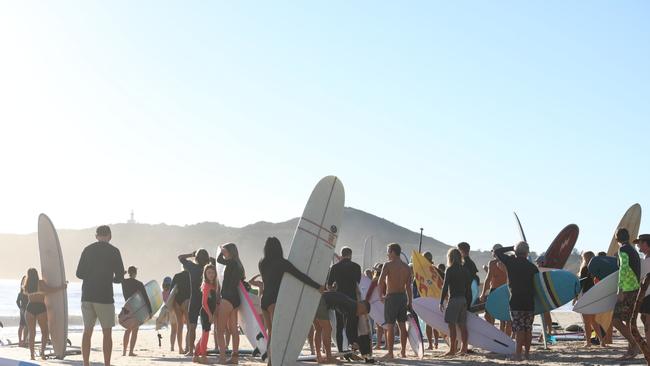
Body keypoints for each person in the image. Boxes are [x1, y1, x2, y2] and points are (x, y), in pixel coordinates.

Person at [258, 237, 323, 364]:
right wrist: (318, 286)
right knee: (275, 333)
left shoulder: (262, 263)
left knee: (270, 332)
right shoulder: (283, 263)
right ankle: (272, 361)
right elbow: (300, 276)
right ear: (279, 248)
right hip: (274, 300)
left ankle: (270, 361)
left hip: (264, 300)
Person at [76, 225, 125, 366]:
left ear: (96, 236)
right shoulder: (114, 251)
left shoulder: (87, 249)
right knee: (107, 333)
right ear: (110, 236)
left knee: (87, 331)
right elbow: (120, 277)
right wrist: (111, 278)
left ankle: (86, 363)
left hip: (87, 295)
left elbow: (79, 274)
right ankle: (107, 364)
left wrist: (92, 275)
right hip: (104, 297)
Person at [494, 242, 538, 361]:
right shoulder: (533, 267)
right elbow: (538, 286)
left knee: (519, 329)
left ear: (516, 251)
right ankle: (527, 354)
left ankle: (518, 354)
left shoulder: (510, 262)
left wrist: (511, 248)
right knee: (528, 328)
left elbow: (497, 252)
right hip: (529, 301)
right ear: (527, 252)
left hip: (516, 301)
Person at [377, 243, 412, 360]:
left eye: (388, 251)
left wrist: (380, 296)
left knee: (390, 326)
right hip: (403, 297)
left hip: (391, 297)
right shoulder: (407, 267)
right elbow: (408, 287)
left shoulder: (388, 265)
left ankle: (390, 352)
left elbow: (380, 281)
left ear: (392, 252)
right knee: (402, 325)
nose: (387, 254)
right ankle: (402, 352)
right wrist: (410, 302)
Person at [23, 268, 66, 360]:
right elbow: (51, 290)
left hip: (29, 308)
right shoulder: (41, 283)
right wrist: (62, 287)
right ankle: (42, 353)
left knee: (32, 333)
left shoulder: (27, 285)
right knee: (45, 332)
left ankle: (32, 355)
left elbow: (27, 294)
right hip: (40, 308)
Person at [612, 228, 641, 360]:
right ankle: (630, 351)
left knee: (616, 320)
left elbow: (623, 269)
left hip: (628, 289)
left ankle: (635, 346)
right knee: (628, 321)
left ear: (617, 238)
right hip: (635, 288)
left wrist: (620, 289)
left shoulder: (623, 250)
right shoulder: (632, 249)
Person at [327, 246, 362, 353]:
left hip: (339, 298)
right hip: (352, 299)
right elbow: (357, 284)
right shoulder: (356, 266)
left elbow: (329, 286)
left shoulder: (335, 267)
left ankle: (341, 350)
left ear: (341, 255)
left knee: (339, 326)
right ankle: (354, 348)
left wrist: (334, 289)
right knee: (352, 325)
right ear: (350, 255)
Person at [215, 243, 245, 364]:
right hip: (235, 300)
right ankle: (234, 358)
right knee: (233, 330)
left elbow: (218, 259)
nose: (224, 254)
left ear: (230, 252)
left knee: (219, 330)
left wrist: (220, 251)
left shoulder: (231, 262)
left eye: (225, 251)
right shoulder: (238, 265)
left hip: (227, 298)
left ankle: (222, 358)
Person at [178, 249, 212, 356]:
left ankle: (191, 351)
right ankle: (202, 349)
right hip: (206, 301)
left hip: (194, 301)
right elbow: (217, 262)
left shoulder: (192, 267)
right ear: (206, 259)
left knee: (192, 327)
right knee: (205, 327)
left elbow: (180, 257)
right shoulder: (209, 269)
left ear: (196, 258)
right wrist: (209, 258)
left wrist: (191, 254)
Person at [439, 248, 469, 356]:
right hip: (463, 300)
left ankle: (452, 350)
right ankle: (464, 349)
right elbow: (468, 288)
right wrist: (468, 303)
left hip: (454, 300)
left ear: (450, 257)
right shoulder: (464, 270)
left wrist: (441, 301)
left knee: (451, 326)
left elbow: (445, 286)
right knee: (463, 326)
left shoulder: (450, 269)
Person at [479, 244, 511, 336]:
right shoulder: (492, 263)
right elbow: (488, 279)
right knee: (488, 314)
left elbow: (488, 279)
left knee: (505, 318)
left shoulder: (507, 261)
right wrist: (483, 293)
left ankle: (504, 337)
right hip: (495, 290)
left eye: (492, 251)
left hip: (505, 290)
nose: (492, 253)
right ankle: (493, 333)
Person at [575, 251, 605, 347]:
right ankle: (602, 341)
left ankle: (588, 342)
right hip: (594, 295)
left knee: (586, 322)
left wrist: (575, 297)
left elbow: (581, 284)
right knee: (593, 321)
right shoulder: (597, 268)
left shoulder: (584, 268)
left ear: (585, 258)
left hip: (586, 296)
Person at [121, 266, 152, 356]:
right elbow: (146, 298)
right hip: (136, 309)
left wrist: (123, 274)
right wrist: (150, 311)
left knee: (128, 329)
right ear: (135, 273)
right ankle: (130, 351)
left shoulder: (124, 282)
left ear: (129, 272)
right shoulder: (139, 284)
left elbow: (120, 278)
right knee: (135, 330)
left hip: (126, 308)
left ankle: (124, 351)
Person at [193, 264, 219, 364]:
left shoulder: (214, 285)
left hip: (210, 313)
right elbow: (204, 303)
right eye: (209, 273)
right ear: (205, 274)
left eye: (212, 272)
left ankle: (196, 355)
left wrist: (215, 311)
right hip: (205, 313)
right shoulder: (206, 285)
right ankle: (203, 356)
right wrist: (210, 315)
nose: (211, 274)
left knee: (205, 334)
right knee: (206, 334)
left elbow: (214, 301)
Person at [170, 268, 191, 354]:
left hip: (177, 302)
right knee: (189, 326)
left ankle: (180, 349)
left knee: (180, 326)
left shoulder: (177, 275)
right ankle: (188, 348)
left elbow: (171, 290)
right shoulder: (191, 275)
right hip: (186, 301)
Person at [635, 234, 650, 345]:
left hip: (649, 295)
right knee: (644, 319)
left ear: (646, 244)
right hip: (645, 295)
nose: (638, 245)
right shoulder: (645, 259)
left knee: (648, 322)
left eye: (639, 243)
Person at [457, 242, 479, 308]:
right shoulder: (470, 263)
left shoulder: (466, 264)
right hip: (469, 294)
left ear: (462, 251)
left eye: (458, 250)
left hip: (466, 295)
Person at [16, 276, 28, 347]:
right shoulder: (24, 292)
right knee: (25, 326)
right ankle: (23, 341)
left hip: (22, 309)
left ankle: (21, 341)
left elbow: (17, 301)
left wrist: (20, 308)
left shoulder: (20, 292)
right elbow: (17, 301)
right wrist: (20, 307)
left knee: (21, 325)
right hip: (26, 309)